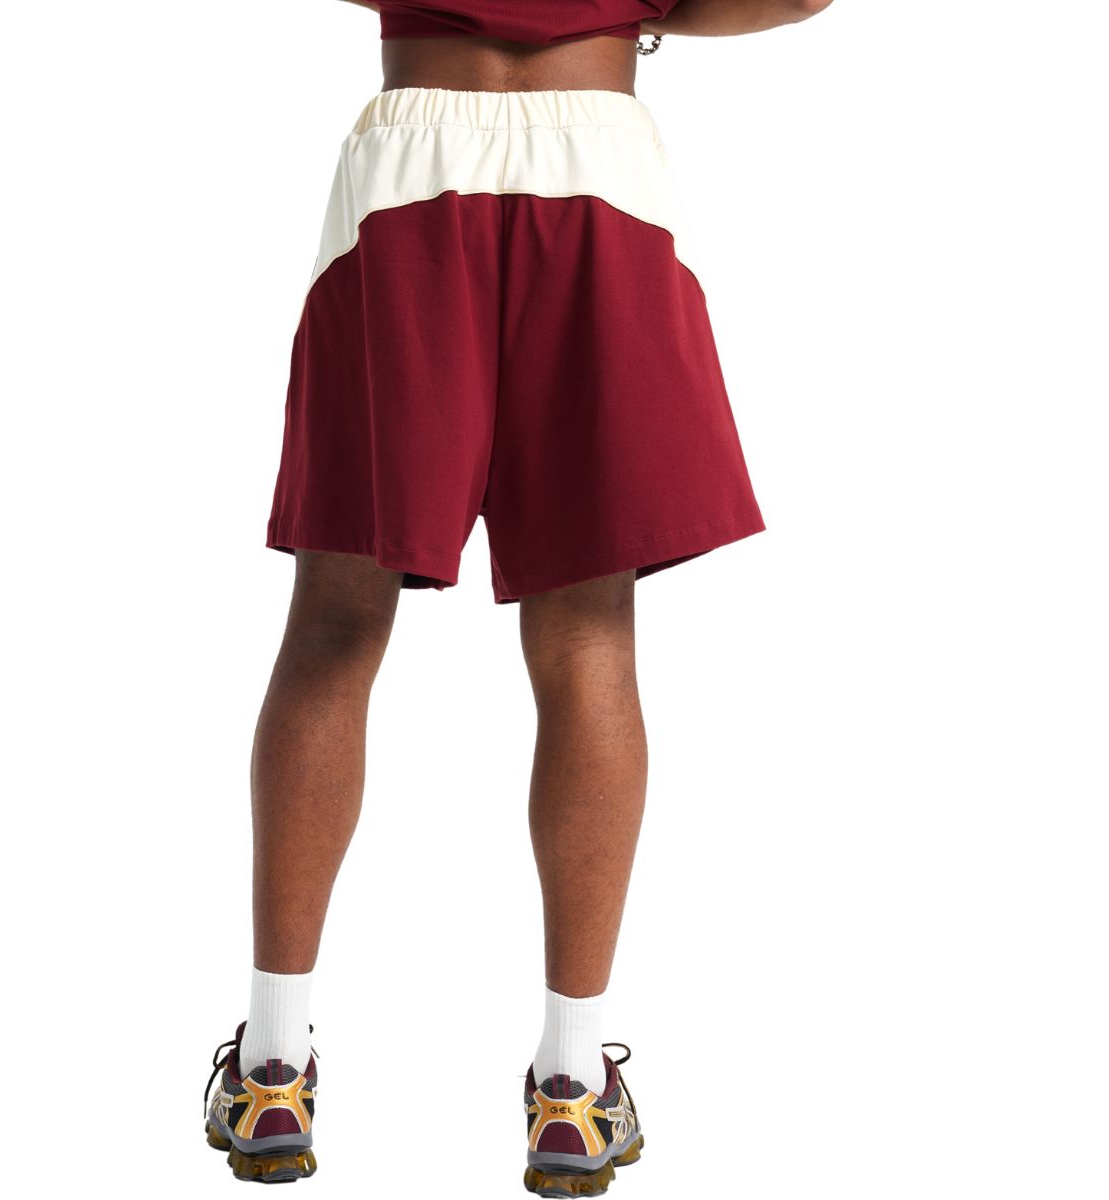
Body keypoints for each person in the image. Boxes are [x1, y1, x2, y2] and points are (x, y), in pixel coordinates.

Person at [203, 0, 833, 1192]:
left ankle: (273, 1069)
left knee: (335, 621)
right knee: (587, 635)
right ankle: (572, 1090)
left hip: (411, 163)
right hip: (599, 154)